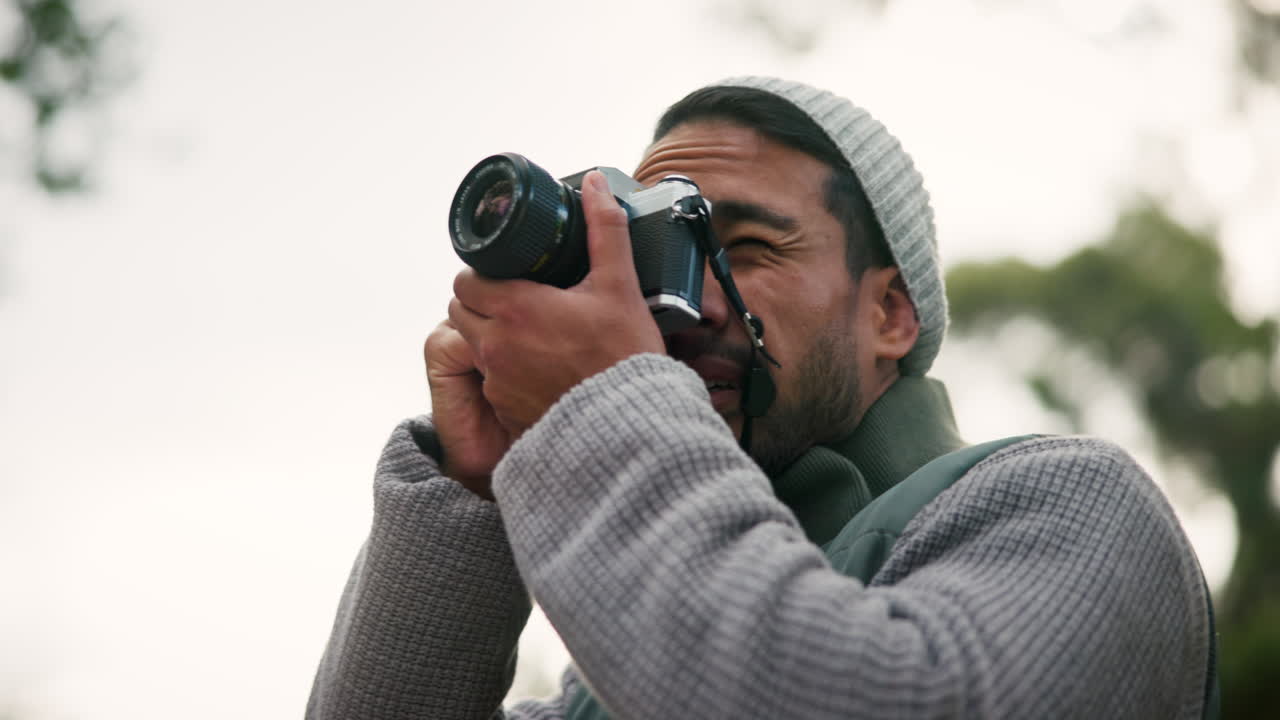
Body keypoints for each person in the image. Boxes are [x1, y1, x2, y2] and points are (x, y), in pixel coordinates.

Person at [307, 77, 1217, 719]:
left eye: (741, 248)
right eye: (658, 251)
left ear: (891, 312)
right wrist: (474, 502)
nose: (678, 304)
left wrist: (606, 404)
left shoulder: (1078, 508)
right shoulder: (610, 685)